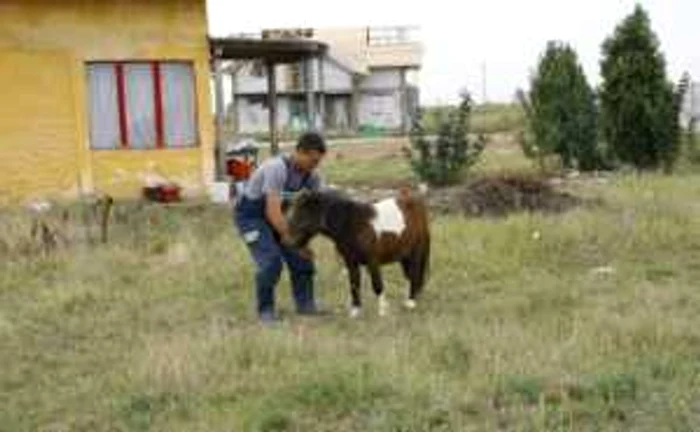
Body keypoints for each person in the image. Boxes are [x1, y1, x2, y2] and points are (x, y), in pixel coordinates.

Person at [233, 131, 328, 322]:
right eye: (312, 160)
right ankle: (266, 311)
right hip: (252, 217)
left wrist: (304, 241)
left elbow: (317, 213)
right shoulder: (276, 168)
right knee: (271, 262)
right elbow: (272, 211)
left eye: (318, 162)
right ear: (299, 151)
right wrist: (295, 240)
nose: (314, 166)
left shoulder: (312, 178)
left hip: (279, 217)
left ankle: (306, 306)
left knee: (302, 260)